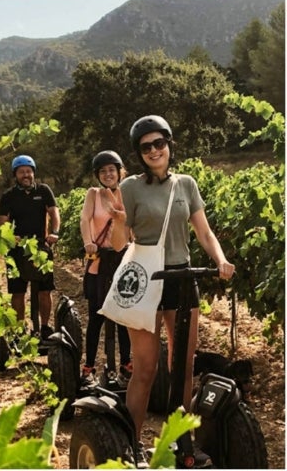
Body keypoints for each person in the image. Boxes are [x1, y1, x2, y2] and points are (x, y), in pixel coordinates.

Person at [103, 115, 235, 466]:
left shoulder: (187, 184)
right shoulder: (129, 188)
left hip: (182, 278)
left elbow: (204, 233)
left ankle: (182, 442)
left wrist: (220, 260)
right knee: (145, 368)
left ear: (169, 144)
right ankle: (131, 444)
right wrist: (118, 223)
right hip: (146, 280)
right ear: (139, 153)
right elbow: (120, 244)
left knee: (184, 367)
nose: (154, 150)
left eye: (159, 143)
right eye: (146, 147)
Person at [79, 150, 132, 386]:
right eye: (103, 171)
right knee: (96, 315)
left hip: (122, 260)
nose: (108, 174)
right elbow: (85, 219)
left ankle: (126, 364)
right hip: (99, 260)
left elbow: (134, 223)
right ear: (98, 175)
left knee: (123, 317)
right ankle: (89, 366)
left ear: (120, 171)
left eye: (112, 169)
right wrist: (88, 242)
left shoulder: (128, 193)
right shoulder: (94, 194)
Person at [0, 155, 61, 341]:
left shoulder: (44, 190)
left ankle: (45, 327)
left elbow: (54, 212)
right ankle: (18, 331)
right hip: (16, 249)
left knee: (44, 290)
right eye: (22, 172)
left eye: (29, 171)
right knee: (18, 292)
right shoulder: (8, 196)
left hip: (40, 245)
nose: (26, 175)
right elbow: (2, 222)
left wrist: (55, 232)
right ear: (15, 175)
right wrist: (10, 236)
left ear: (33, 173)